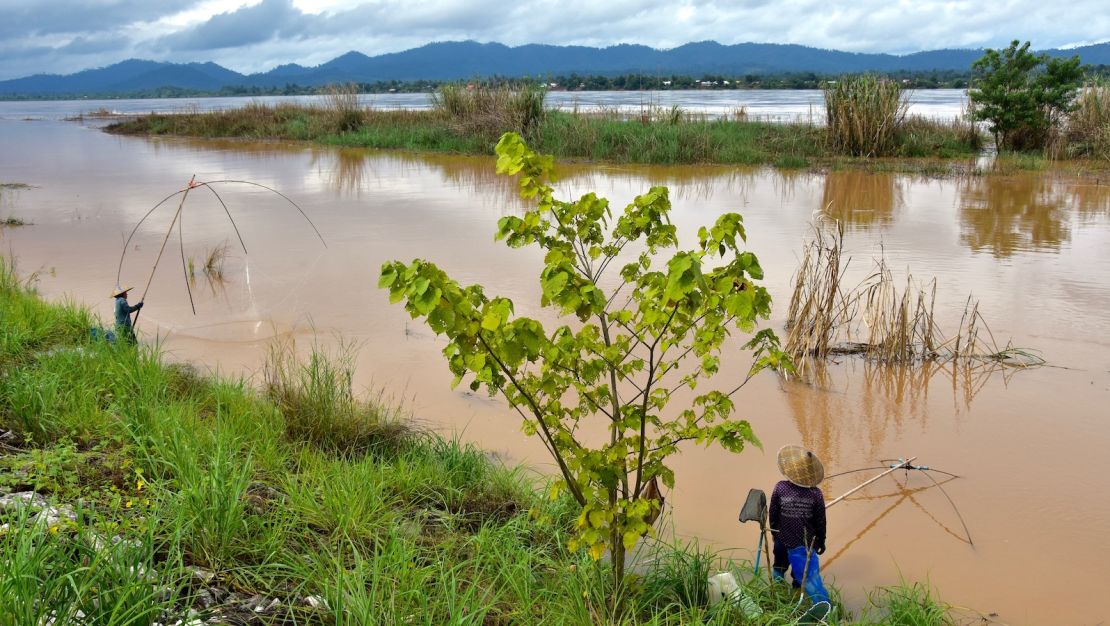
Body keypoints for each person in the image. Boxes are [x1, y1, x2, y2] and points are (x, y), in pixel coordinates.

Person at [769, 444, 831, 606]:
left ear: (791, 469)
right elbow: (820, 522)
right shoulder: (815, 494)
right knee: (803, 574)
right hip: (802, 543)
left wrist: (775, 534)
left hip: (782, 539)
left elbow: (773, 514)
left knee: (779, 567)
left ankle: (778, 594)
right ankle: (798, 592)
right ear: (810, 474)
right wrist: (821, 542)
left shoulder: (780, 487)